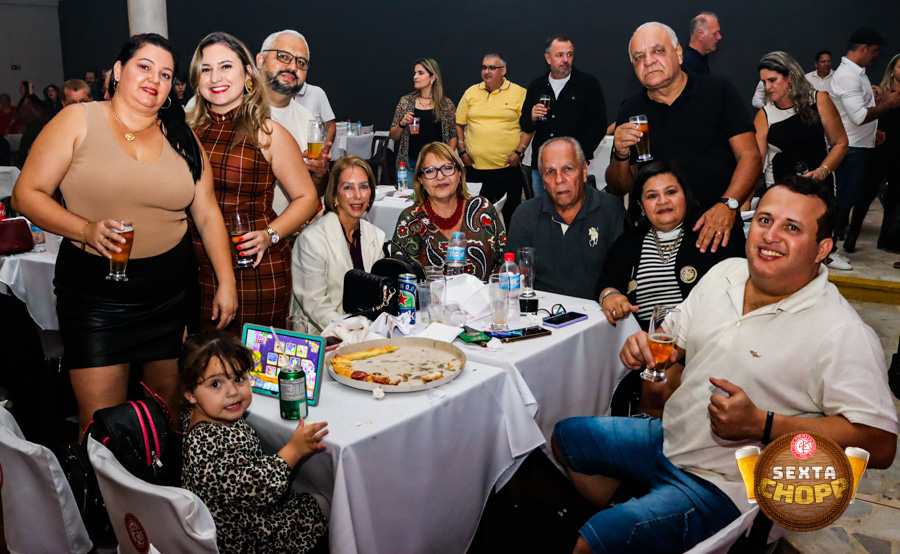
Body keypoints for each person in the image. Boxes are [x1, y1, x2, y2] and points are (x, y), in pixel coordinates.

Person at [553, 176, 899, 553]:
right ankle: (647, 517)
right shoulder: (726, 272)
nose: (770, 236)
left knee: (590, 542)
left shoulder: (842, 332)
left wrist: (764, 424)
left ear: (822, 249)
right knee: (566, 438)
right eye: (765, 220)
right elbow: (671, 339)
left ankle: (674, 529)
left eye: (792, 228)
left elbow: (880, 444)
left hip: (726, 485)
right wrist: (645, 347)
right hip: (670, 438)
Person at [11, 33, 238, 435]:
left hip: (169, 292)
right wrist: (84, 229)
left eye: (165, 74)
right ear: (118, 71)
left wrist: (227, 281)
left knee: (169, 413)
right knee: (101, 422)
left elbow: (206, 214)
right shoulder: (78, 120)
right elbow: (26, 195)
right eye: (144, 66)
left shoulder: (182, 135)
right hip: (96, 295)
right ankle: (102, 479)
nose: (155, 79)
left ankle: (162, 479)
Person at [187, 32, 319, 335]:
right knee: (203, 360)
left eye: (225, 67)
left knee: (251, 360)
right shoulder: (187, 130)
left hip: (254, 268)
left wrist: (270, 235)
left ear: (248, 73)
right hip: (194, 267)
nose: (215, 77)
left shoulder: (267, 133)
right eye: (206, 69)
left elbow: (307, 198)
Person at [599, 161, 744, 416]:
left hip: (701, 344)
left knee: (659, 381)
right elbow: (606, 284)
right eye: (652, 196)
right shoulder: (628, 243)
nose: (662, 201)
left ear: (685, 195)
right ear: (641, 205)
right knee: (652, 377)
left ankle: (651, 436)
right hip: (647, 345)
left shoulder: (711, 233)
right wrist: (610, 296)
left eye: (671, 192)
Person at [607, 22, 761, 255]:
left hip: (718, 230)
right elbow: (619, 188)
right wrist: (620, 154)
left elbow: (750, 156)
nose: (649, 61)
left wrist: (728, 204)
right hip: (658, 241)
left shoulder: (717, 91)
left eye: (658, 51)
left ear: (678, 53)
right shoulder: (631, 111)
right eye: (639, 57)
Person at [179, 330, 328, 554]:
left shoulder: (203, 419)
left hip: (231, 520)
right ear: (190, 393)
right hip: (246, 537)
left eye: (239, 379)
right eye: (215, 384)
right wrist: (294, 450)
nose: (232, 392)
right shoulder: (210, 441)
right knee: (325, 503)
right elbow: (261, 489)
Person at [506, 137, 625, 299]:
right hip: (542, 309)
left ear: (584, 171)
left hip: (598, 309)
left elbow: (622, 273)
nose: (559, 179)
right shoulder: (525, 215)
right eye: (550, 172)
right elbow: (514, 279)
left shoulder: (610, 210)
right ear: (543, 181)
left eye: (568, 169)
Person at [293, 156, 385, 331]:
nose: (357, 195)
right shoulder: (312, 240)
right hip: (322, 334)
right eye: (348, 187)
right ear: (334, 194)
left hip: (367, 330)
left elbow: (378, 297)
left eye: (363, 186)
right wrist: (354, 332)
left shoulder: (376, 236)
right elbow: (315, 305)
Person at [393, 141, 506, 280]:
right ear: (421, 180)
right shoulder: (410, 219)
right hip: (429, 294)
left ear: (459, 173)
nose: (440, 177)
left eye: (447, 168)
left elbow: (505, 262)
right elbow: (402, 276)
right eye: (430, 171)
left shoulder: (482, 209)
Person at [830, 28, 900, 250]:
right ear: (862, 48)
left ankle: (833, 246)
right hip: (851, 148)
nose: (877, 55)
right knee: (844, 200)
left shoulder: (858, 74)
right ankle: (831, 247)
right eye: (875, 50)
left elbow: (859, 115)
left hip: (860, 144)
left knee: (848, 198)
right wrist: (888, 104)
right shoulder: (848, 76)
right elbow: (859, 117)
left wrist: (874, 130)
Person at [520, 36, 607, 197]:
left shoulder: (588, 84)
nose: (565, 60)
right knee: (542, 210)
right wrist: (532, 117)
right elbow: (524, 124)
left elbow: (599, 125)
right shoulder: (536, 86)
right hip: (542, 167)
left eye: (569, 54)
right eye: (560, 55)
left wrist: (582, 156)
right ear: (548, 58)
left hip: (573, 166)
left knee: (574, 209)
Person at [256, 30, 332, 212]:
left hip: (292, 227)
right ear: (260, 60)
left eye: (301, 62)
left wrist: (320, 175)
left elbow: (314, 194)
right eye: (283, 56)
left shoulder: (308, 120)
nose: (292, 67)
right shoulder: (231, 110)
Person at [456, 53, 532, 224]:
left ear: (503, 70)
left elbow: (529, 127)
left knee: (512, 218)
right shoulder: (471, 92)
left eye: (492, 68)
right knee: (475, 220)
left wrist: (519, 152)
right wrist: (461, 151)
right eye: (484, 67)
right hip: (475, 169)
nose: (486, 71)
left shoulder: (519, 93)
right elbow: (459, 124)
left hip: (507, 169)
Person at [754, 51, 848, 190]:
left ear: (790, 77)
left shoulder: (819, 100)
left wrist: (822, 172)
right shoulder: (764, 114)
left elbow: (840, 143)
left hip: (818, 188)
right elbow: (756, 163)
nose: (767, 87)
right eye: (764, 82)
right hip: (779, 190)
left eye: (772, 80)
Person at [845, 53, 900, 253]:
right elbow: (865, 117)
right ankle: (852, 234)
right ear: (892, 70)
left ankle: (886, 238)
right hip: (879, 148)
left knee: (895, 195)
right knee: (866, 192)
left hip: (898, 150)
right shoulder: (879, 91)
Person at [389, 58, 457, 175]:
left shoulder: (446, 104)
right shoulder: (406, 101)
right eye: (415, 73)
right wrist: (402, 124)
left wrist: (447, 159)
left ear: (433, 77)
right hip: (410, 164)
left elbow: (453, 135)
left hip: (437, 165)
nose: (415, 77)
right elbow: (393, 136)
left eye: (420, 73)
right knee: (408, 188)